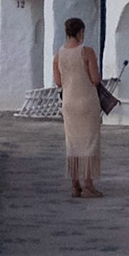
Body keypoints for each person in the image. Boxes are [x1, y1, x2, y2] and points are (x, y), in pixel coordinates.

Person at [53, 17, 103, 198]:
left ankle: (75, 184)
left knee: (72, 142)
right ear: (81, 31)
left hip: (69, 102)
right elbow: (95, 79)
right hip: (87, 101)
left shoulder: (59, 55)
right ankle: (89, 183)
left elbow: (58, 82)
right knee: (90, 142)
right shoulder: (87, 52)